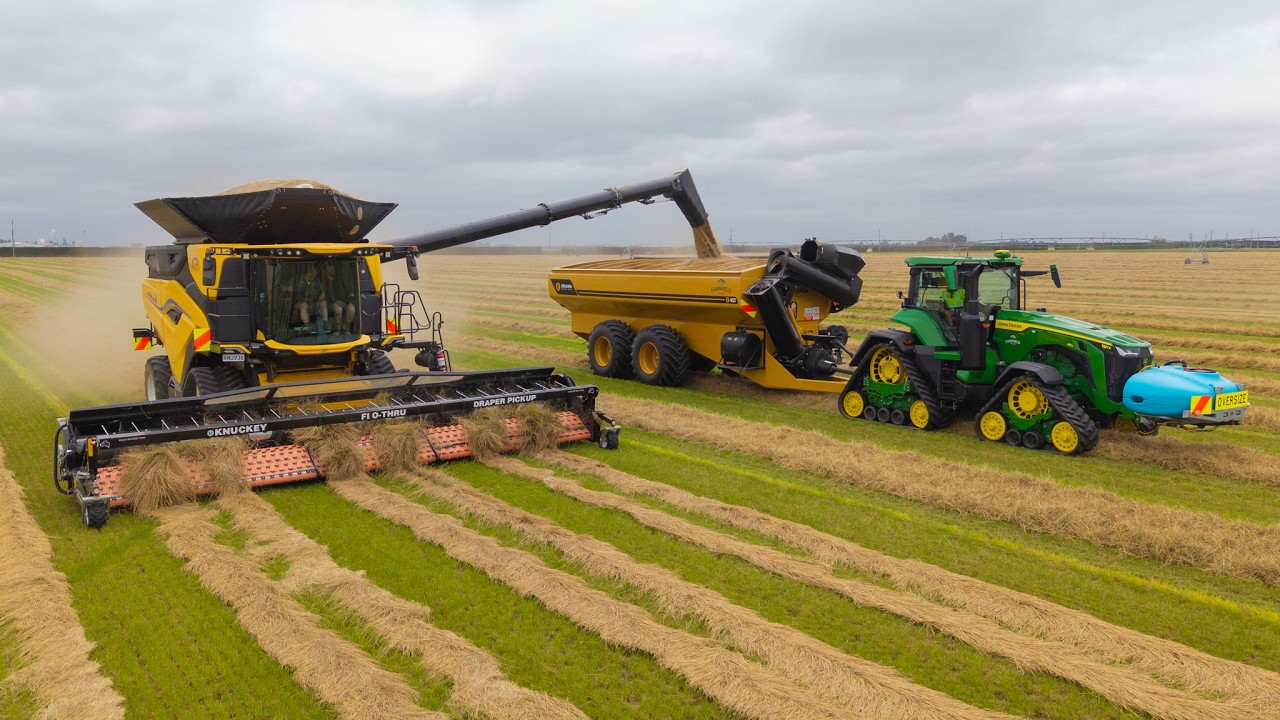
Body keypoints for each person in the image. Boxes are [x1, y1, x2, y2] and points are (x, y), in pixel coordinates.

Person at [323, 262, 358, 334]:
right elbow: (325, 297)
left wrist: (346, 301)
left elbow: (345, 293)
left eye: (333, 269)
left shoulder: (339, 280)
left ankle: (346, 328)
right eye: (330, 269)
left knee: (351, 308)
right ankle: (337, 330)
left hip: (340, 302)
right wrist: (329, 282)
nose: (332, 271)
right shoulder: (323, 281)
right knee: (338, 309)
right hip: (327, 304)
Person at [292, 262, 328, 328]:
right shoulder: (299, 280)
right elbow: (287, 288)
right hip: (300, 302)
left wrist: (321, 297)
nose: (314, 274)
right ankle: (308, 326)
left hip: (314, 302)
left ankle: (325, 323)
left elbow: (322, 292)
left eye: (315, 273)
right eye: (313, 272)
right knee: (303, 305)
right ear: (308, 272)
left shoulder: (317, 280)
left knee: (323, 302)